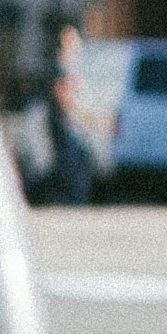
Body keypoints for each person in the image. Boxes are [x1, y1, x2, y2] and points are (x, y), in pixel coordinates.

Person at [45, 24, 99, 206]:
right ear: (66, 42)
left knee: (70, 165)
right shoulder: (61, 65)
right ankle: (70, 202)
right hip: (64, 124)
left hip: (67, 123)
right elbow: (63, 98)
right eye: (74, 39)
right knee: (71, 166)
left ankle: (68, 201)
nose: (78, 43)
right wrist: (85, 117)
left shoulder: (67, 65)